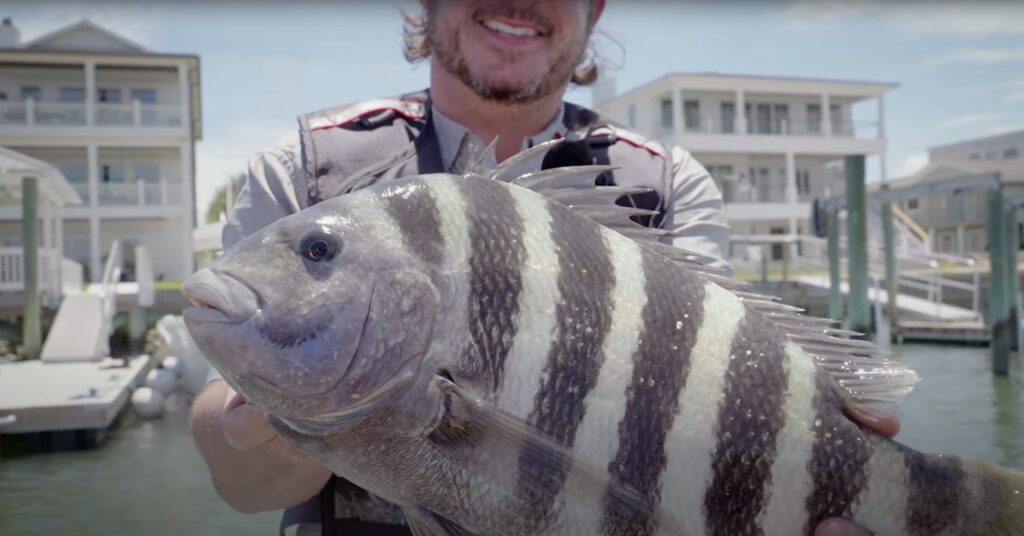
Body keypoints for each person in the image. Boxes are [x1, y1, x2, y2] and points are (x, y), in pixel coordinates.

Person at [190, 1, 900, 534]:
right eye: (318, 257)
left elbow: (728, 407)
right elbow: (243, 486)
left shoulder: (666, 183)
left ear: (593, 11)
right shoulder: (307, 169)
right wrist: (299, 408)